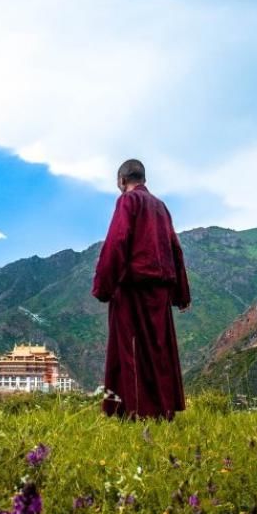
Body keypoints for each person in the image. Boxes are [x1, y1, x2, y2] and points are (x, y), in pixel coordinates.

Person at [92, 159, 190, 421]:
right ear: (143, 179)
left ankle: (130, 411)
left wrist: (103, 287)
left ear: (122, 181)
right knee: (158, 351)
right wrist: (181, 294)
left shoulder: (128, 201)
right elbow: (175, 248)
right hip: (160, 292)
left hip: (133, 290)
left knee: (130, 350)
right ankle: (162, 411)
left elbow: (117, 242)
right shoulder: (161, 207)